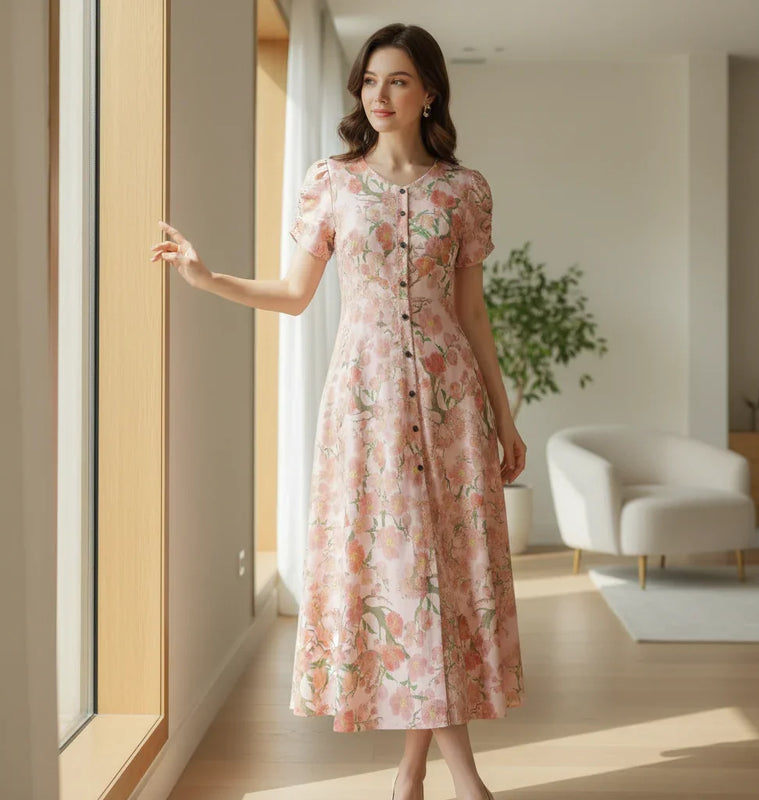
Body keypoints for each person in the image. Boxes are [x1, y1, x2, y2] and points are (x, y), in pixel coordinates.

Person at [151, 22, 526, 800]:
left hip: (450, 401)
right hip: (366, 405)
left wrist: (504, 417)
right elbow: (294, 296)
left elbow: (474, 315)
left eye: (396, 81)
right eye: (368, 81)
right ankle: (464, 782)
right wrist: (208, 277)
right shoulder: (334, 182)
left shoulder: (465, 190)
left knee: (440, 578)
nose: (378, 95)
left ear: (428, 92)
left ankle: (413, 775)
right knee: (404, 575)